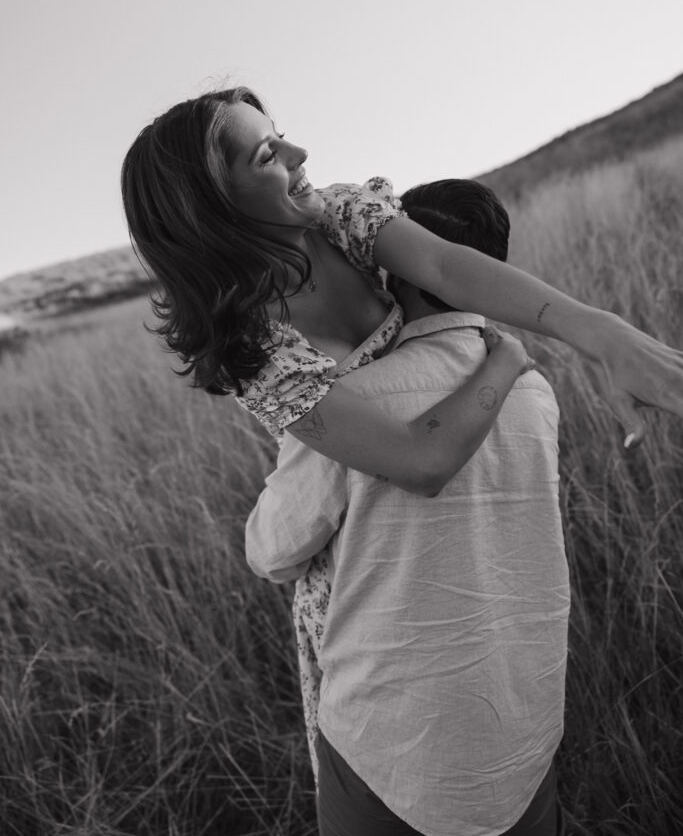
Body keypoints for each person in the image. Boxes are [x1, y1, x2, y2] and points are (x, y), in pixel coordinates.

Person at [121, 86, 683, 488]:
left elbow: (444, 266)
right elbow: (421, 463)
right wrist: (506, 359)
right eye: (269, 155)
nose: (300, 155)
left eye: (282, 138)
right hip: (366, 574)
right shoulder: (256, 352)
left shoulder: (339, 215)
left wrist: (605, 335)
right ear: (215, 211)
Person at [246, 179, 568, 836]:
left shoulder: (350, 404)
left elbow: (271, 552)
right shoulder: (534, 393)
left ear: (397, 262)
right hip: (523, 717)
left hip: (391, 746)